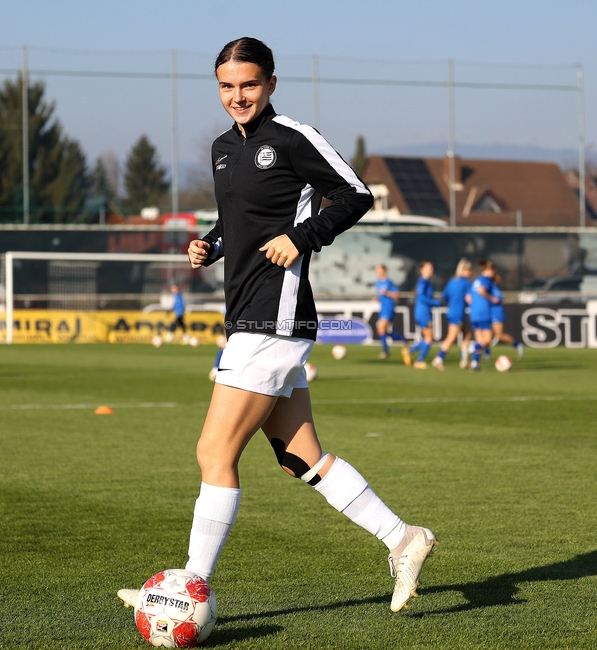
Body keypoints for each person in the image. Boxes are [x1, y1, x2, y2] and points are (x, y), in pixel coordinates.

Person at [117, 37, 436, 615]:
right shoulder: (220, 149)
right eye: (226, 86)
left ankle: (188, 589)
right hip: (246, 310)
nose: (237, 96)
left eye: (249, 85)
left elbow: (355, 193)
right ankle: (403, 539)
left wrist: (302, 236)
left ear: (270, 84)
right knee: (301, 456)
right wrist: (211, 245)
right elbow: (239, 215)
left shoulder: (292, 137)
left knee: (213, 451)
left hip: (274, 314)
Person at [432, 258, 473, 371]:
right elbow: (469, 299)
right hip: (458, 313)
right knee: (451, 337)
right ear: (465, 270)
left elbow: (445, 296)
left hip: (451, 311)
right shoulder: (467, 283)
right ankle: (438, 359)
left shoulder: (452, 282)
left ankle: (464, 360)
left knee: (467, 333)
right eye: (470, 270)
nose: (471, 273)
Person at [406, 261, 442, 369]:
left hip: (424, 312)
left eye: (431, 268)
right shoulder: (423, 281)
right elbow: (421, 297)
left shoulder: (426, 282)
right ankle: (418, 361)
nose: (431, 270)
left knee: (429, 338)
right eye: (428, 268)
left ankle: (409, 351)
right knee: (429, 339)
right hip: (423, 312)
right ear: (421, 270)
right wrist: (435, 303)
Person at [467, 260, 500, 371]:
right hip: (483, 313)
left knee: (480, 340)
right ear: (487, 270)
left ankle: (475, 363)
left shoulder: (475, 281)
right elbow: (482, 290)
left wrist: (475, 305)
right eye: (492, 270)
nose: (493, 272)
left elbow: (468, 297)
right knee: (487, 340)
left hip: (474, 313)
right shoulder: (486, 280)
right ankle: (472, 347)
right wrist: (491, 298)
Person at [373, 264, 408, 360]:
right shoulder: (378, 282)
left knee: (381, 329)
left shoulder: (389, 282)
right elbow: (381, 295)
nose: (378, 272)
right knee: (381, 331)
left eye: (380, 270)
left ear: (385, 271)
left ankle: (385, 352)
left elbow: (397, 295)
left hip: (389, 308)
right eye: (377, 270)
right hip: (383, 308)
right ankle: (403, 340)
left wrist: (387, 293)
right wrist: (377, 298)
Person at [490, 271, 524, 361]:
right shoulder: (488, 287)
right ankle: (486, 354)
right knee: (487, 336)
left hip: (496, 313)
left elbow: (497, 299)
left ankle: (517, 345)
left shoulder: (494, 289)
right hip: (487, 313)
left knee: (499, 335)